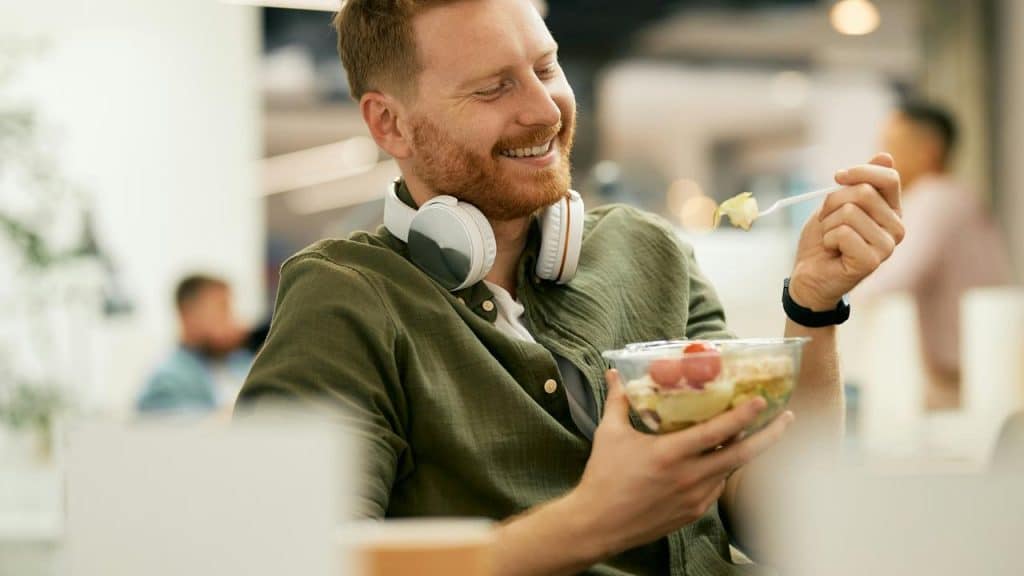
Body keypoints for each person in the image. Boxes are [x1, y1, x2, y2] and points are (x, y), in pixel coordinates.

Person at [236, 1, 904, 573]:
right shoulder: (346, 299)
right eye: (494, 87)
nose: (544, 109)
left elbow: (785, 521)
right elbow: (291, 561)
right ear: (390, 124)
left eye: (546, 68)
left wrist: (813, 307)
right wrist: (591, 522)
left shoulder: (650, 253)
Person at [856, 101, 1012, 410]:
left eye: (891, 146)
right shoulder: (959, 196)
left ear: (927, 150)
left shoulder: (932, 198)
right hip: (983, 364)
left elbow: (896, 278)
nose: (882, 158)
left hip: (958, 375)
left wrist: (837, 289)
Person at [138, 275, 252, 414]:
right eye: (223, 309)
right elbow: (191, 432)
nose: (233, 320)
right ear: (188, 314)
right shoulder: (166, 382)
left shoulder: (242, 363)